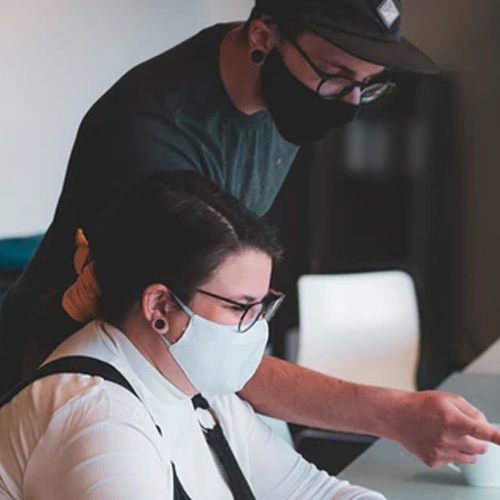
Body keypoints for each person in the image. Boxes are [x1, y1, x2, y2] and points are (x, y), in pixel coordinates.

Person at [1, 0, 499, 468]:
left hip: (158, 372)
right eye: (336, 75)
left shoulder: (278, 101)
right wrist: (394, 414)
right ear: (263, 35)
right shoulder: (155, 133)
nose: (349, 102)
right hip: (65, 376)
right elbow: (204, 347)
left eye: (367, 85)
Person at [0, 171, 386, 500]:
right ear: (160, 307)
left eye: (262, 306)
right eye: (239, 307)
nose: (257, 326)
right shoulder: (99, 418)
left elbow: (311, 493)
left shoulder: (195, 386)